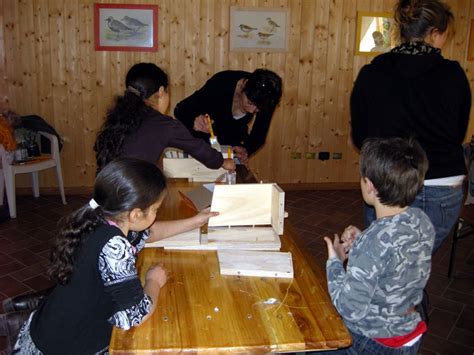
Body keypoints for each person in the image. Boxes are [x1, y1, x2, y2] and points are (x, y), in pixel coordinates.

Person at [12, 158, 218, 354]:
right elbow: (135, 315)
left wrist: (196, 221)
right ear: (135, 214)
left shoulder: (102, 216)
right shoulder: (114, 245)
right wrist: (153, 282)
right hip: (68, 345)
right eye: (155, 209)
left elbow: (150, 232)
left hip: (52, 325)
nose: (157, 214)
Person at [350, 0, 471, 253]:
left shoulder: (372, 73)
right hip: (441, 178)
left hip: (387, 177)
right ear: (435, 33)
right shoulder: (453, 74)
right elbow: (458, 132)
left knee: (382, 256)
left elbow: (361, 135)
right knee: (415, 263)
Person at [323, 137, 435, 354]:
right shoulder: (421, 220)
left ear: (370, 186)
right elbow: (396, 249)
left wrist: (335, 262)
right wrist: (364, 237)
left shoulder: (372, 243)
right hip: (409, 335)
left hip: (372, 342)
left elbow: (349, 308)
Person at [94, 63, 235, 173]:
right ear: (161, 91)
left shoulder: (119, 115)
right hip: (131, 192)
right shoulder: (164, 124)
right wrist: (222, 162)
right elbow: (197, 147)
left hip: (108, 186)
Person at [173, 69, 282, 166]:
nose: (251, 111)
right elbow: (180, 109)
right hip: (201, 146)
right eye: (249, 103)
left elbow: (259, 133)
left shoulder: (267, 98)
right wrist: (193, 120)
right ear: (243, 88)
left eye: (258, 109)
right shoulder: (222, 82)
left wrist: (246, 149)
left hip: (231, 150)